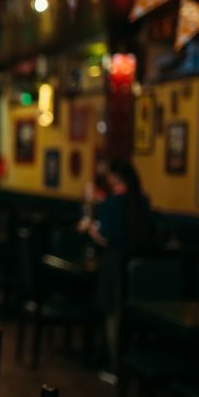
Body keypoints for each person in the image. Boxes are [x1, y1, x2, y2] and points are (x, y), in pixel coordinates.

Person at [83, 158, 152, 376]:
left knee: (112, 317)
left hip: (113, 265)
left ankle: (114, 367)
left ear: (114, 177)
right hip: (139, 269)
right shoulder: (142, 201)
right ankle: (132, 366)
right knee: (129, 319)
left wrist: (92, 230)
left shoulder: (111, 204)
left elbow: (105, 238)